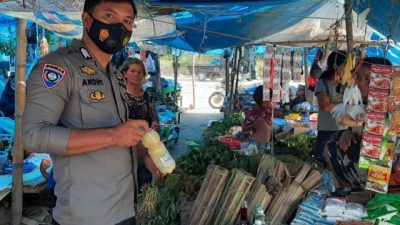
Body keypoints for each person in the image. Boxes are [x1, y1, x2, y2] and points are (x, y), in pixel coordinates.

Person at [22, 1, 161, 225]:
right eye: (109, 16)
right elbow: (33, 135)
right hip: (85, 216)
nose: (120, 26)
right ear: (86, 20)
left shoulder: (115, 76)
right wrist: (113, 135)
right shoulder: (59, 67)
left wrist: (145, 156)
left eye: (127, 21)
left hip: (124, 209)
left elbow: (122, 133)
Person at [327, 57, 392, 189]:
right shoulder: (359, 107)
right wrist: (346, 134)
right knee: (329, 148)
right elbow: (353, 130)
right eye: (358, 76)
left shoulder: (391, 110)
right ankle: (348, 192)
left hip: (387, 182)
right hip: (361, 177)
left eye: (368, 78)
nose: (360, 82)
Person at [119, 57, 160, 189]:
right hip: (124, 149)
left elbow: (154, 116)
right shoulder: (119, 96)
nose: (136, 75)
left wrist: (154, 124)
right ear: (125, 73)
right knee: (126, 186)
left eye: (140, 72)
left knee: (143, 186)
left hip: (145, 146)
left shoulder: (147, 96)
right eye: (133, 71)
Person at [313, 51, 348, 162]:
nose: (347, 70)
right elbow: (325, 106)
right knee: (323, 163)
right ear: (335, 66)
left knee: (341, 164)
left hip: (344, 130)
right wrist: (346, 107)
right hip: (327, 131)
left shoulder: (347, 84)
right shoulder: (322, 83)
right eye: (345, 66)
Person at [242, 85, 273, 153]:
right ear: (259, 100)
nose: (269, 102)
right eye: (267, 100)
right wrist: (254, 125)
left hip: (266, 143)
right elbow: (244, 129)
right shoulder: (251, 114)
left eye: (269, 99)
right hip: (256, 145)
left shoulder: (267, 110)